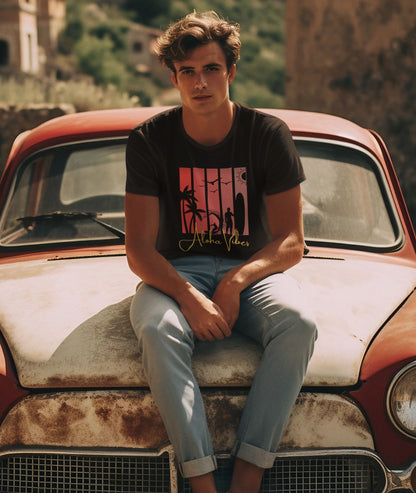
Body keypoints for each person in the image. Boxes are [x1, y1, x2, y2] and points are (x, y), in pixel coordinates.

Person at [125, 11, 317, 493]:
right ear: (173, 78)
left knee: (299, 324)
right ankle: (203, 482)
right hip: (172, 273)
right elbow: (140, 251)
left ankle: (249, 476)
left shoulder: (267, 134)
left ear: (231, 71)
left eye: (211, 69)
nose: (200, 82)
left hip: (251, 272)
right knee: (156, 327)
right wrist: (189, 297)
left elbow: (292, 241)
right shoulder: (150, 140)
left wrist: (234, 282)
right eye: (187, 72)